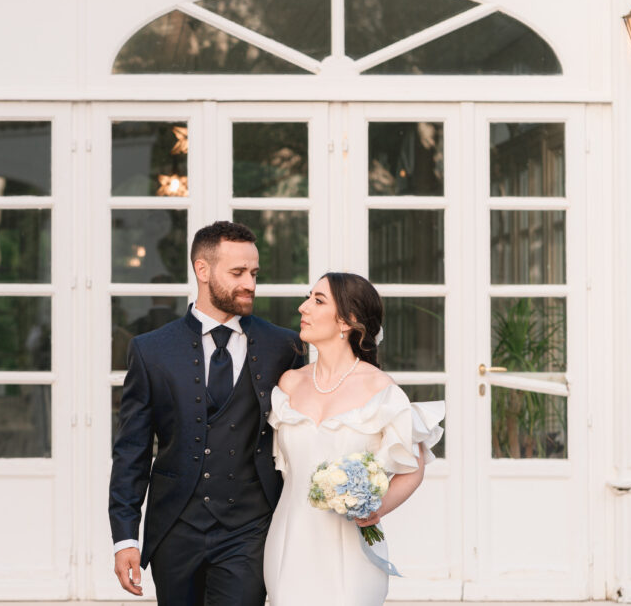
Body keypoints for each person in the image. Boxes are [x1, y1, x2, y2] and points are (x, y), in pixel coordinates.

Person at [109, 221, 304, 606]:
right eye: (237, 273)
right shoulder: (151, 351)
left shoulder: (283, 345)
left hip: (250, 529)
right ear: (202, 270)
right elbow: (131, 450)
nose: (249, 282)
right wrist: (125, 536)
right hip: (175, 529)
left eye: (254, 273)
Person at [264, 272, 444, 605]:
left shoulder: (380, 389)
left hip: (350, 550)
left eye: (318, 301)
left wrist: (376, 509)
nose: (304, 307)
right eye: (308, 297)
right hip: (290, 540)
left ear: (347, 322)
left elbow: (413, 469)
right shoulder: (289, 383)